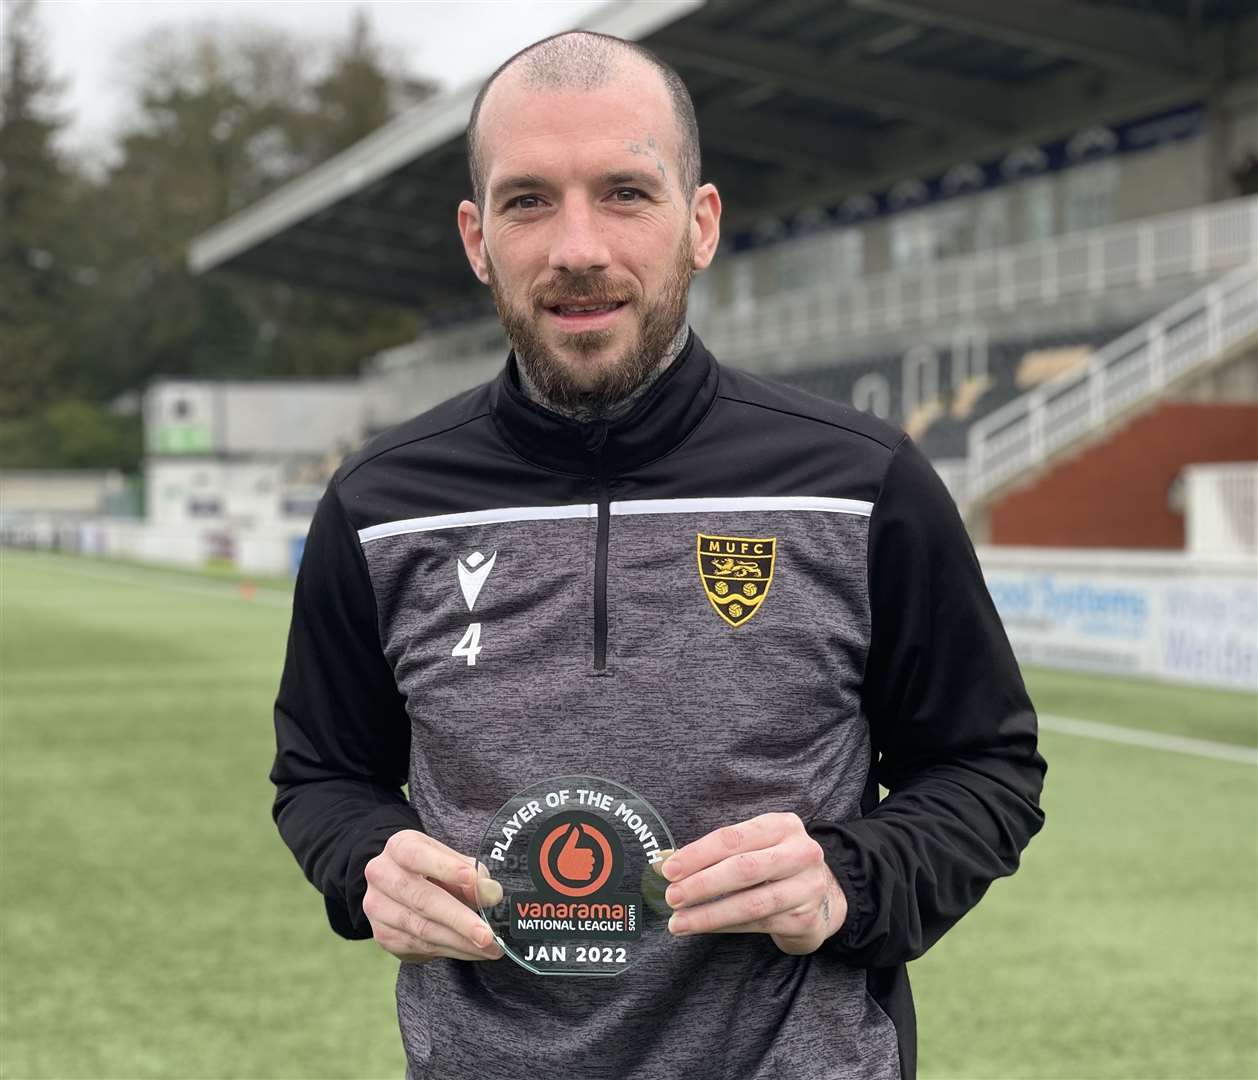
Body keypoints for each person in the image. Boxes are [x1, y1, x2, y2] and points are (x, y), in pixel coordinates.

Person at [270, 29, 1046, 1080]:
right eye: (528, 199)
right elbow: (321, 775)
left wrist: (848, 880)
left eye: (626, 193)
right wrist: (365, 861)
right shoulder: (379, 503)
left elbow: (984, 768)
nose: (577, 247)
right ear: (475, 237)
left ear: (699, 221)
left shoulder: (862, 482)